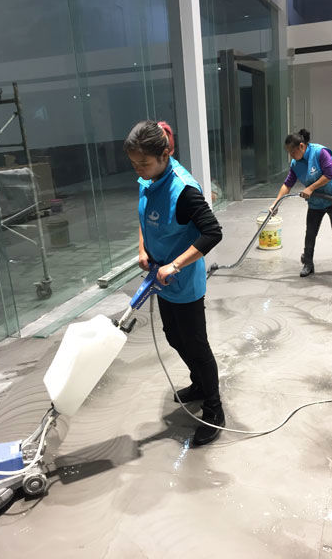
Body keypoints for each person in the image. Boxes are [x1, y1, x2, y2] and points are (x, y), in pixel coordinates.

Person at [125, 120, 225, 446]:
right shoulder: (149, 179)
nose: (138, 170)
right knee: (173, 336)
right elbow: (144, 219)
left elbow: (213, 232)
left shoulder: (183, 191)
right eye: (134, 164)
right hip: (160, 278)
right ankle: (199, 383)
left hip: (183, 282)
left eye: (143, 163)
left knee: (196, 344)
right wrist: (143, 249)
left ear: (165, 155)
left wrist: (175, 264)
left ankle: (214, 409)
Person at [270, 129, 332, 280]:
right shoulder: (296, 164)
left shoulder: (320, 152)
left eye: (292, 151)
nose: (291, 155)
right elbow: (287, 184)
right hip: (316, 201)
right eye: (289, 152)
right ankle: (308, 263)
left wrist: (310, 188)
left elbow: (329, 174)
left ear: (301, 146)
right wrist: (276, 203)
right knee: (310, 232)